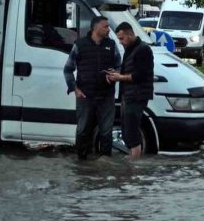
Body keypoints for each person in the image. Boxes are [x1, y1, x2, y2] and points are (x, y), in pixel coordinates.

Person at [63, 16, 120, 159]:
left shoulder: (111, 45)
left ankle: (105, 165)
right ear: (95, 28)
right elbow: (68, 69)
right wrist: (74, 89)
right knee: (82, 130)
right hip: (85, 96)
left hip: (106, 96)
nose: (108, 29)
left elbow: (119, 66)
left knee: (106, 132)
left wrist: (116, 74)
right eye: (105, 27)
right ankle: (81, 165)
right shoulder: (80, 45)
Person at [107, 22, 154, 159]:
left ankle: (135, 161)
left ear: (130, 34)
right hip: (128, 95)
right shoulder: (131, 48)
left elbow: (140, 75)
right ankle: (132, 159)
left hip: (137, 96)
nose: (120, 42)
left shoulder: (143, 50)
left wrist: (119, 77)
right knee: (126, 129)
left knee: (132, 130)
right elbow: (130, 70)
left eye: (121, 38)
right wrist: (117, 73)